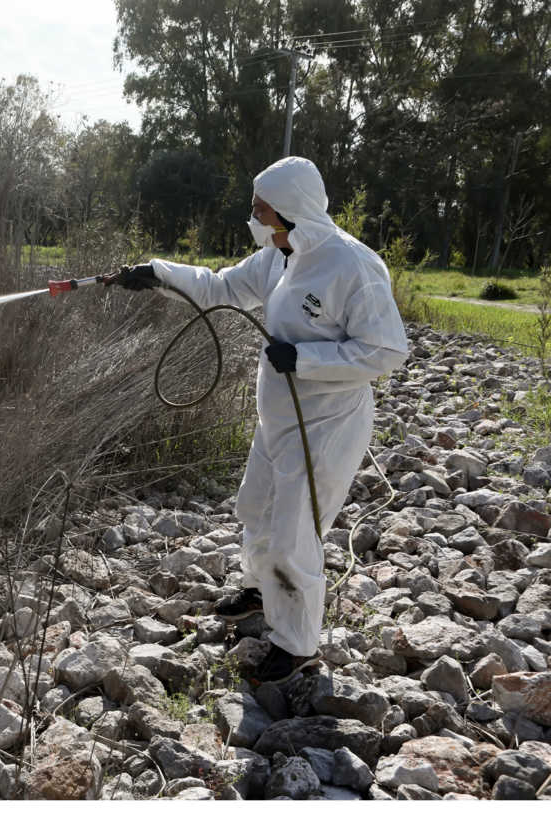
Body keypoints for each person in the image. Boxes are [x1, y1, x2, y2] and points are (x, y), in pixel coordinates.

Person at [114, 156, 408, 685]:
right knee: (257, 504)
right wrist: (156, 273)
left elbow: (386, 351)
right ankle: (257, 591)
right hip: (276, 417)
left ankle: (296, 644)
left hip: (326, 424)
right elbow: (221, 287)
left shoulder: (352, 267)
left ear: (291, 211)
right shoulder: (277, 256)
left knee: (296, 531)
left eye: (259, 208)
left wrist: (307, 359)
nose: (252, 216)